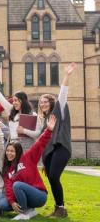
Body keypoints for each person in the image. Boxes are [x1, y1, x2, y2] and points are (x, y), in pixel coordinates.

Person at [0, 115, 57, 220]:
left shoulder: (27, 158)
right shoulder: (8, 169)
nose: (9, 153)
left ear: (18, 152)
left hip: (38, 195)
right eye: (8, 151)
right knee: (3, 204)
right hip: (23, 196)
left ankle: (24, 213)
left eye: (12, 151)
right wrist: (12, 202)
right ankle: (30, 210)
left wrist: (48, 130)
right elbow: (8, 187)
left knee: (17, 185)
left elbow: (39, 144)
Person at [39, 63, 76, 218]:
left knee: (54, 176)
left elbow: (63, 94)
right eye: (41, 103)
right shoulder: (45, 121)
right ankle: (58, 208)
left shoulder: (58, 112)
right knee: (52, 178)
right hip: (51, 153)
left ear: (52, 103)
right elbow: (41, 140)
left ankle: (61, 209)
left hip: (61, 148)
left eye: (46, 101)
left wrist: (67, 75)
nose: (43, 104)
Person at [0, 74, 40, 150]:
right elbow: (1, 98)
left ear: (23, 101)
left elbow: (38, 133)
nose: (14, 103)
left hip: (28, 146)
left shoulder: (32, 115)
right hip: (13, 145)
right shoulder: (12, 111)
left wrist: (24, 131)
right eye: (13, 101)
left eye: (16, 100)